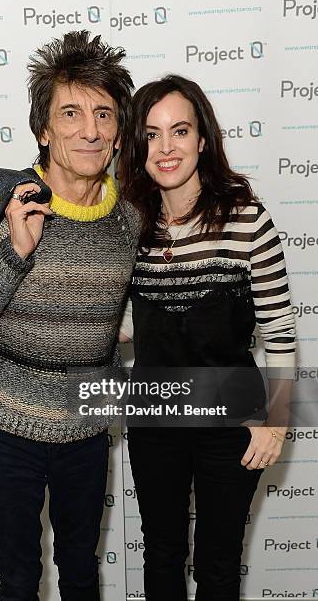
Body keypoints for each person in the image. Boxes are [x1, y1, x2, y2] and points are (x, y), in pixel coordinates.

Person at [0, 31, 140, 601]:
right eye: (70, 113)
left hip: (88, 433)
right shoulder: (7, 208)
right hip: (9, 432)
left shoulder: (132, 220)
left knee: (81, 576)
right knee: (18, 581)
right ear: (43, 130)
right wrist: (13, 255)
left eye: (103, 113)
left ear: (119, 132)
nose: (89, 129)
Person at [119, 75, 296, 600]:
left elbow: (280, 329)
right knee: (162, 555)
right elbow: (130, 324)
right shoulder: (130, 224)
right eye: (151, 134)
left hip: (232, 420)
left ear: (202, 139)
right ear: (138, 145)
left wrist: (277, 422)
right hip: (155, 415)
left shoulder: (246, 219)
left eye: (179, 131)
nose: (166, 147)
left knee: (218, 565)